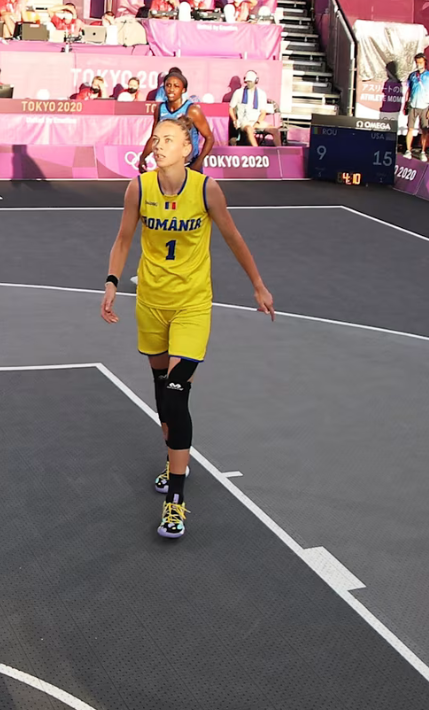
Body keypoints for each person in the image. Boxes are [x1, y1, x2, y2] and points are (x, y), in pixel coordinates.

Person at [100, 118, 276, 540]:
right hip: (151, 305)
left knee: (177, 396)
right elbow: (124, 239)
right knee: (163, 394)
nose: (158, 146)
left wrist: (258, 284)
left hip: (192, 306)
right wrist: (111, 282)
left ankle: (174, 502)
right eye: (155, 139)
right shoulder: (138, 188)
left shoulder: (206, 189)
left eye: (167, 140)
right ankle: (173, 457)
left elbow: (232, 236)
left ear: (187, 147)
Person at [142, 67, 216, 170]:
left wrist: (199, 161)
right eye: (168, 85)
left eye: (176, 86)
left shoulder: (192, 110)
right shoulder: (160, 109)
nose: (171, 89)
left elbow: (209, 138)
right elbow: (154, 137)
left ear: (183, 90)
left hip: (189, 165)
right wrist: (143, 157)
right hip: (167, 166)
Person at [228, 72, 277, 146]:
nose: (248, 83)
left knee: (275, 130)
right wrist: (235, 120)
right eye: (247, 81)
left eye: (250, 81)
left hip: (256, 121)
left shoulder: (261, 93)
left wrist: (258, 122)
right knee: (249, 129)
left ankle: (280, 151)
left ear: (256, 81)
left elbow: (263, 112)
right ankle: (257, 151)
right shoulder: (238, 92)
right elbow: (231, 108)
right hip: (244, 121)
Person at [404, 53, 429, 157]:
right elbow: (408, 90)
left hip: (424, 107)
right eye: (417, 62)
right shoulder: (412, 75)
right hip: (413, 105)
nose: (419, 64)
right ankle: (408, 150)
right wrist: (406, 103)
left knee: (424, 130)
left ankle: (423, 152)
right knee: (410, 128)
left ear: (425, 63)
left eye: (421, 62)